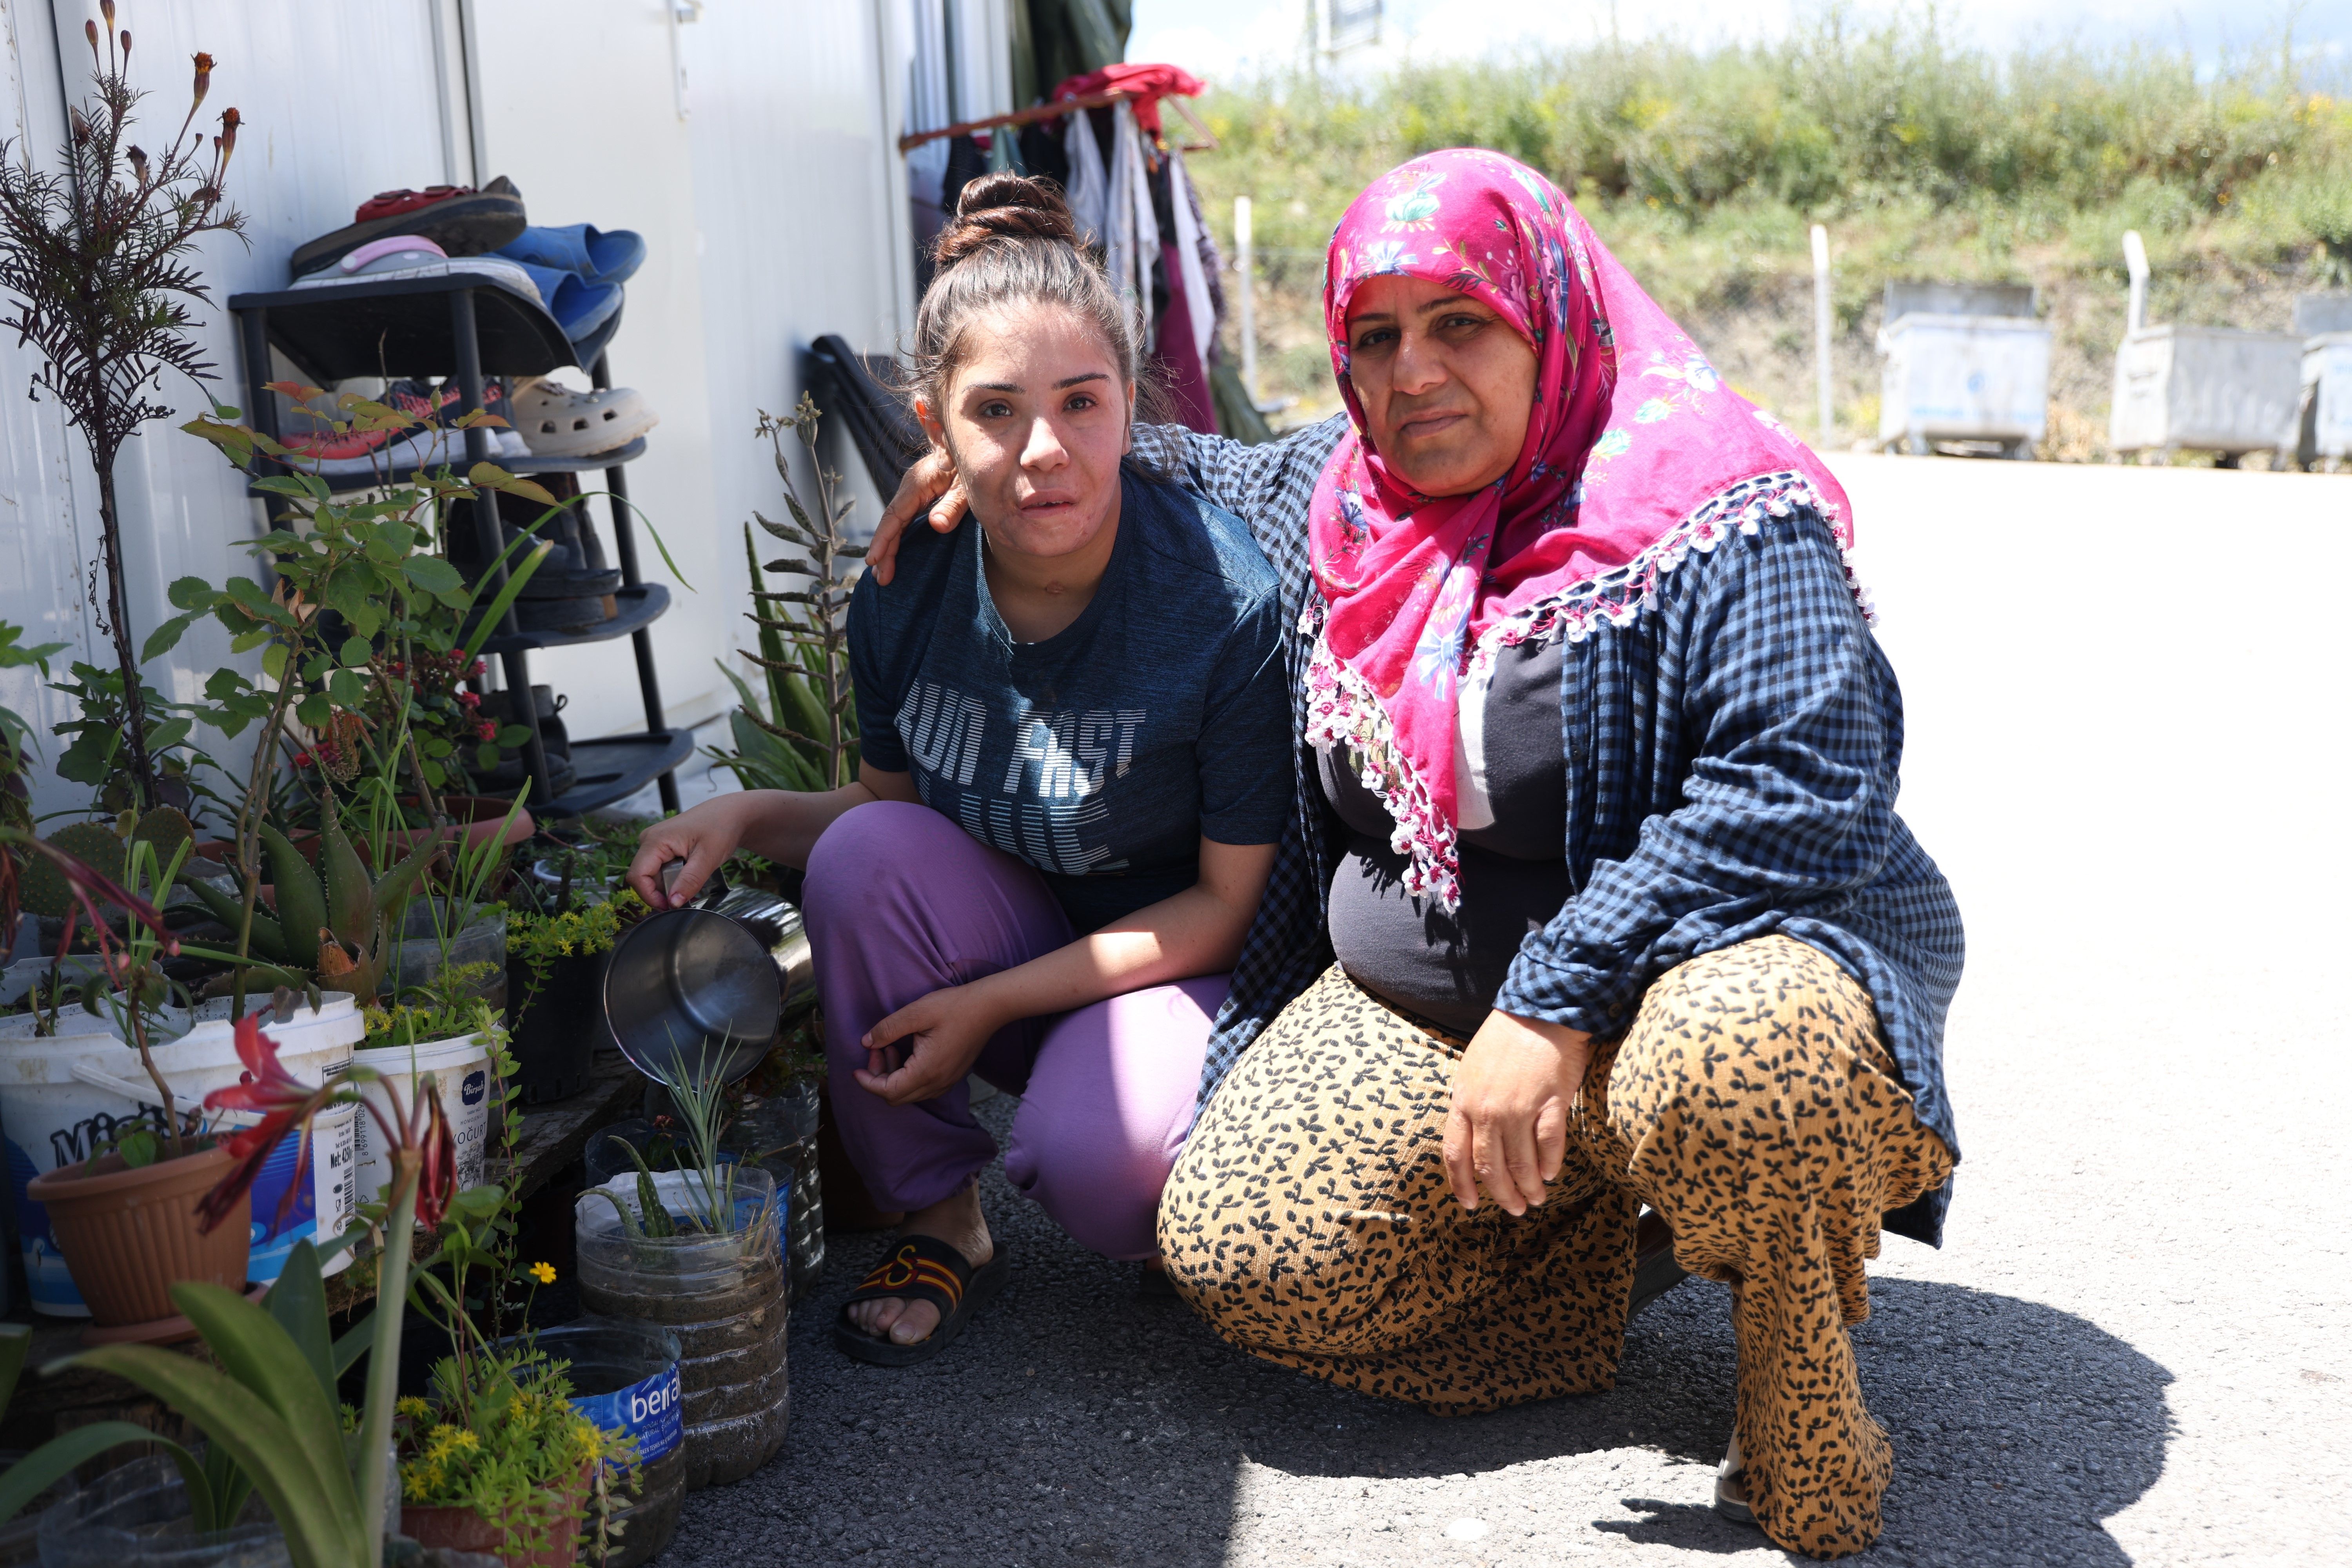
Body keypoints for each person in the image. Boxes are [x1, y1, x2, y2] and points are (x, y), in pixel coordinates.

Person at [865, 149, 1961, 1559]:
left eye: (1460, 323)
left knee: (1737, 1069)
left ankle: (1790, 1353)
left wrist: (1556, 998)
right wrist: (982, 459)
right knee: (1245, 1249)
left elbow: (1810, 783)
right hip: (1442, 1017)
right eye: (1374, 336)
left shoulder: (1717, 504)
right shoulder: (1341, 496)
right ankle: (1603, 1240)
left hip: (1697, 984)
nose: (1414, 372)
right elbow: (1163, 458)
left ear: (1549, 316)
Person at [626, 173, 1292, 1367]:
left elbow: (1224, 906)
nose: (1045, 451)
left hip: (1173, 968)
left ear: (1129, 406)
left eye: (1081, 403)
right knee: (861, 856)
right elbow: (889, 821)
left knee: (1107, 1178)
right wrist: (740, 814)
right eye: (996, 412)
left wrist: (993, 1003)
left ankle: (1168, 1155)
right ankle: (940, 1221)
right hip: (1016, 943)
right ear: (934, 429)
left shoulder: (1220, 602)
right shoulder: (907, 587)